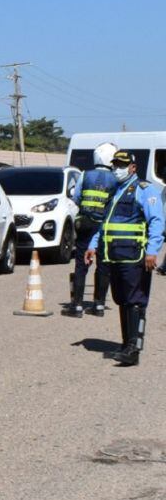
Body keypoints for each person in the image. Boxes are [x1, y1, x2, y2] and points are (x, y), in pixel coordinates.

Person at [84, 151, 164, 366]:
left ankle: (133, 349)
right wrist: (93, 245)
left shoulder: (145, 190)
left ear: (133, 168)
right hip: (114, 255)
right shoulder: (116, 191)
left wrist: (152, 251)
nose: (118, 168)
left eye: (122, 164)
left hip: (134, 256)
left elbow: (157, 221)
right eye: (116, 164)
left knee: (135, 301)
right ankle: (125, 344)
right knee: (122, 300)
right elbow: (105, 224)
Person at [63, 142, 118, 317]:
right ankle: (99, 305)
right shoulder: (115, 179)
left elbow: (76, 197)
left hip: (85, 224)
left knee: (81, 265)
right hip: (105, 226)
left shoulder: (85, 175)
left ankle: (77, 305)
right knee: (103, 265)